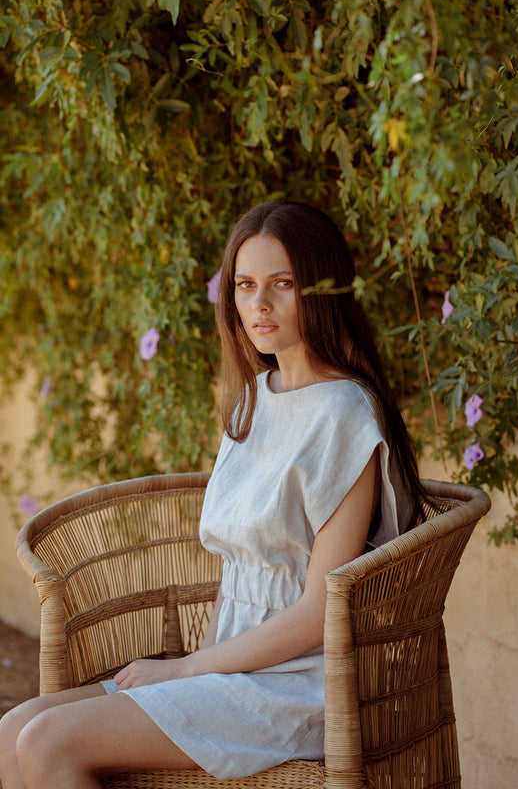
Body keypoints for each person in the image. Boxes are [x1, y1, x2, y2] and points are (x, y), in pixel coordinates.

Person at [0, 200, 431, 788]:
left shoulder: (346, 414)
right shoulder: (255, 398)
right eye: (246, 285)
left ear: (322, 291)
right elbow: (239, 578)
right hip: (227, 669)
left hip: (300, 683)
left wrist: (186, 670)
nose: (260, 304)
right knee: (12, 733)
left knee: (48, 741)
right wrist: (195, 674)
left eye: (284, 284)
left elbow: (317, 613)